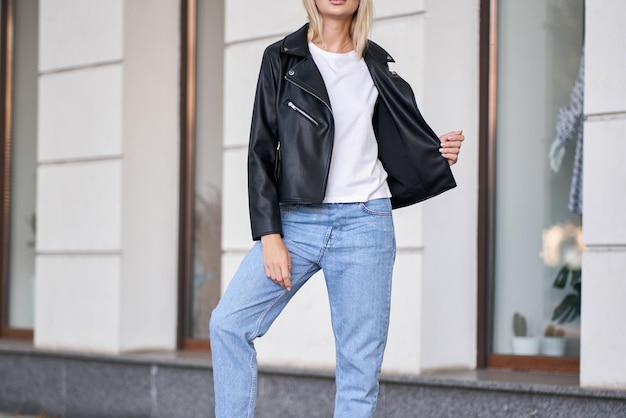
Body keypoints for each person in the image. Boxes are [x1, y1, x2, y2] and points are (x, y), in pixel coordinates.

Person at [209, 0, 464, 416]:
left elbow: (395, 140)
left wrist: (438, 155)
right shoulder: (282, 59)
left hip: (366, 225)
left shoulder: (377, 63)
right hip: (297, 224)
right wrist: (269, 235)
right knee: (228, 324)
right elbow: (260, 150)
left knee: (358, 371)